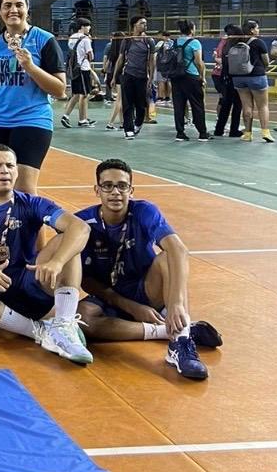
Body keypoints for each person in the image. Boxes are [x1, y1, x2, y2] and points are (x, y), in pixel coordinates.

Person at [75, 158, 223, 379]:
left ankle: (180, 343)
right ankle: (170, 330)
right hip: (111, 295)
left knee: (167, 257)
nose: (115, 192)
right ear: (97, 190)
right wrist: (131, 307)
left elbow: (178, 250)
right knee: (80, 319)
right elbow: (86, 281)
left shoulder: (144, 211)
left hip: (146, 288)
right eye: (107, 186)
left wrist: (176, 304)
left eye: (122, 186)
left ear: (131, 190)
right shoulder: (82, 222)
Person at [0, 144, 93, 364]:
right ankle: (38, 331)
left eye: (9, 165)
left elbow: (81, 228)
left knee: (68, 240)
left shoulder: (31, 203)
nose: (4, 171)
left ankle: (63, 325)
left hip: (28, 280)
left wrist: (57, 261)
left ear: (17, 171)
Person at [0, 0, 66, 196]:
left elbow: (60, 90)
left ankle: (31, 221)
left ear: (27, 8)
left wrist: (30, 67)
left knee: (24, 191)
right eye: (7, 5)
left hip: (31, 121)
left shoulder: (44, 40)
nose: (13, 10)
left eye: (18, 5)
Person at [229, 19, 274, 143]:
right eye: (257, 28)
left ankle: (247, 133)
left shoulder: (236, 41)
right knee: (263, 105)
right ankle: (265, 132)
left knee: (246, 106)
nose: (258, 30)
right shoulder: (258, 42)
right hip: (256, 76)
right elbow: (266, 61)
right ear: (252, 30)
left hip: (238, 77)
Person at [112, 16, 155, 141]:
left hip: (142, 77)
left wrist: (151, 77)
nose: (145, 25)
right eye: (142, 23)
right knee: (127, 104)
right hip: (128, 75)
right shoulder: (127, 41)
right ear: (134, 25)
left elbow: (151, 60)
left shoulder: (149, 41)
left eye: (146, 23)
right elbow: (121, 58)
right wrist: (114, 76)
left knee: (141, 105)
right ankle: (128, 130)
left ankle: (138, 123)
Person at [170, 19, 210, 142]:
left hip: (176, 77)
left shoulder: (175, 42)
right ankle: (202, 133)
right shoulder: (195, 42)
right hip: (191, 76)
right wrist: (202, 76)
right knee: (197, 105)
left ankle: (180, 132)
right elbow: (198, 62)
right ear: (192, 29)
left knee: (178, 105)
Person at [60, 18, 97, 128]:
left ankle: (74, 117)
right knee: (84, 95)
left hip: (75, 69)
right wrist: (89, 45)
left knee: (77, 94)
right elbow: (91, 56)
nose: (89, 28)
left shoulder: (72, 37)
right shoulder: (85, 39)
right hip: (83, 69)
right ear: (82, 27)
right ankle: (81, 120)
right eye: (88, 26)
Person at [212, 24, 243, 138]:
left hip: (225, 77)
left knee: (225, 104)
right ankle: (234, 130)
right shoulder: (238, 46)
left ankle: (219, 130)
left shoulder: (225, 44)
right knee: (237, 105)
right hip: (235, 78)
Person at [103, 31, 125, 130]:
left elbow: (108, 62)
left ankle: (122, 122)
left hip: (113, 74)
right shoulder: (123, 50)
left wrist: (105, 72)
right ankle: (110, 123)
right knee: (119, 100)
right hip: (121, 74)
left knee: (121, 99)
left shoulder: (112, 49)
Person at [153, 32, 172, 108]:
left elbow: (154, 50)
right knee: (168, 81)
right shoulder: (172, 43)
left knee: (161, 81)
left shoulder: (161, 43)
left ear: (164, 36)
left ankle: (161, 98)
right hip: (170, 65)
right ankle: (168, 98)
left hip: (162, 65)